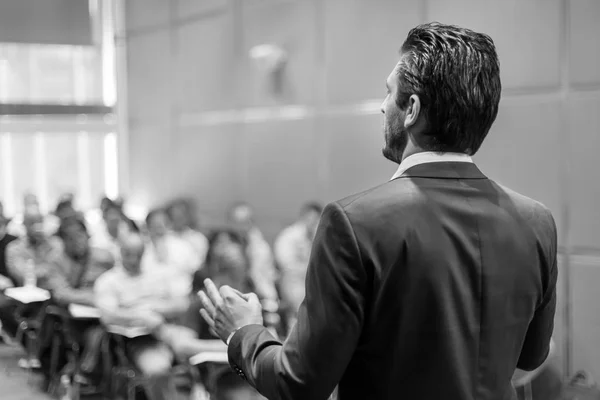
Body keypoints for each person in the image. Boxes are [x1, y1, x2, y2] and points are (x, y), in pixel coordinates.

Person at [199, 22, 558, 400]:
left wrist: (244, 333)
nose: (383, 105)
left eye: (389, 92)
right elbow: (531, 358)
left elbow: (299, 383)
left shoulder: (354, 222)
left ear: (411, 109)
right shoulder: (536, 222)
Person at [273, 202, 322, 331]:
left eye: (316, 218)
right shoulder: (288, 235)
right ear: (303, 216)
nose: (313, 221)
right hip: (293, 282)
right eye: (310, 217)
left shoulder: (320, 236)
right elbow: (285, 263)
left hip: (313, 282)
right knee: (297, 315)